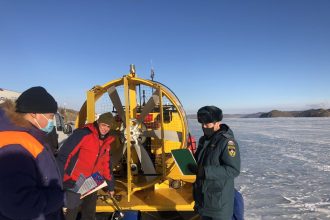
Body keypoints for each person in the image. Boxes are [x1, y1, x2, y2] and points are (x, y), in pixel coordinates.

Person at [0, 86, 66, 220]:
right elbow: (20, 204)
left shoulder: (28, 136)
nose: (52, 121)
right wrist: (61, 198)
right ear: (34, 113)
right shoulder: (15, 145)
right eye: (50, 116)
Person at [56, 112, 116, 220]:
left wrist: (110, 186)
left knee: (89, 214)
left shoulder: (106, 142)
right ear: (98, 122)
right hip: (75, 180)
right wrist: (62, 178)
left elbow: (106, 165)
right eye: (103, 125)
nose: (105, 129)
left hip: (93, 182)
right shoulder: (83, 134)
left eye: (108, 126)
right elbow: (65, 155)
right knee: (70, 213)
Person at [189, 106, 241, 220]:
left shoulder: (227, 142)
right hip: (203, 200)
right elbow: (201, 160)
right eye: (202, 123)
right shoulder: (204, 140)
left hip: (218, 204)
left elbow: (233, 170)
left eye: (207, 124)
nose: (203, 127)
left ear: (217, 123)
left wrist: (205, 172)